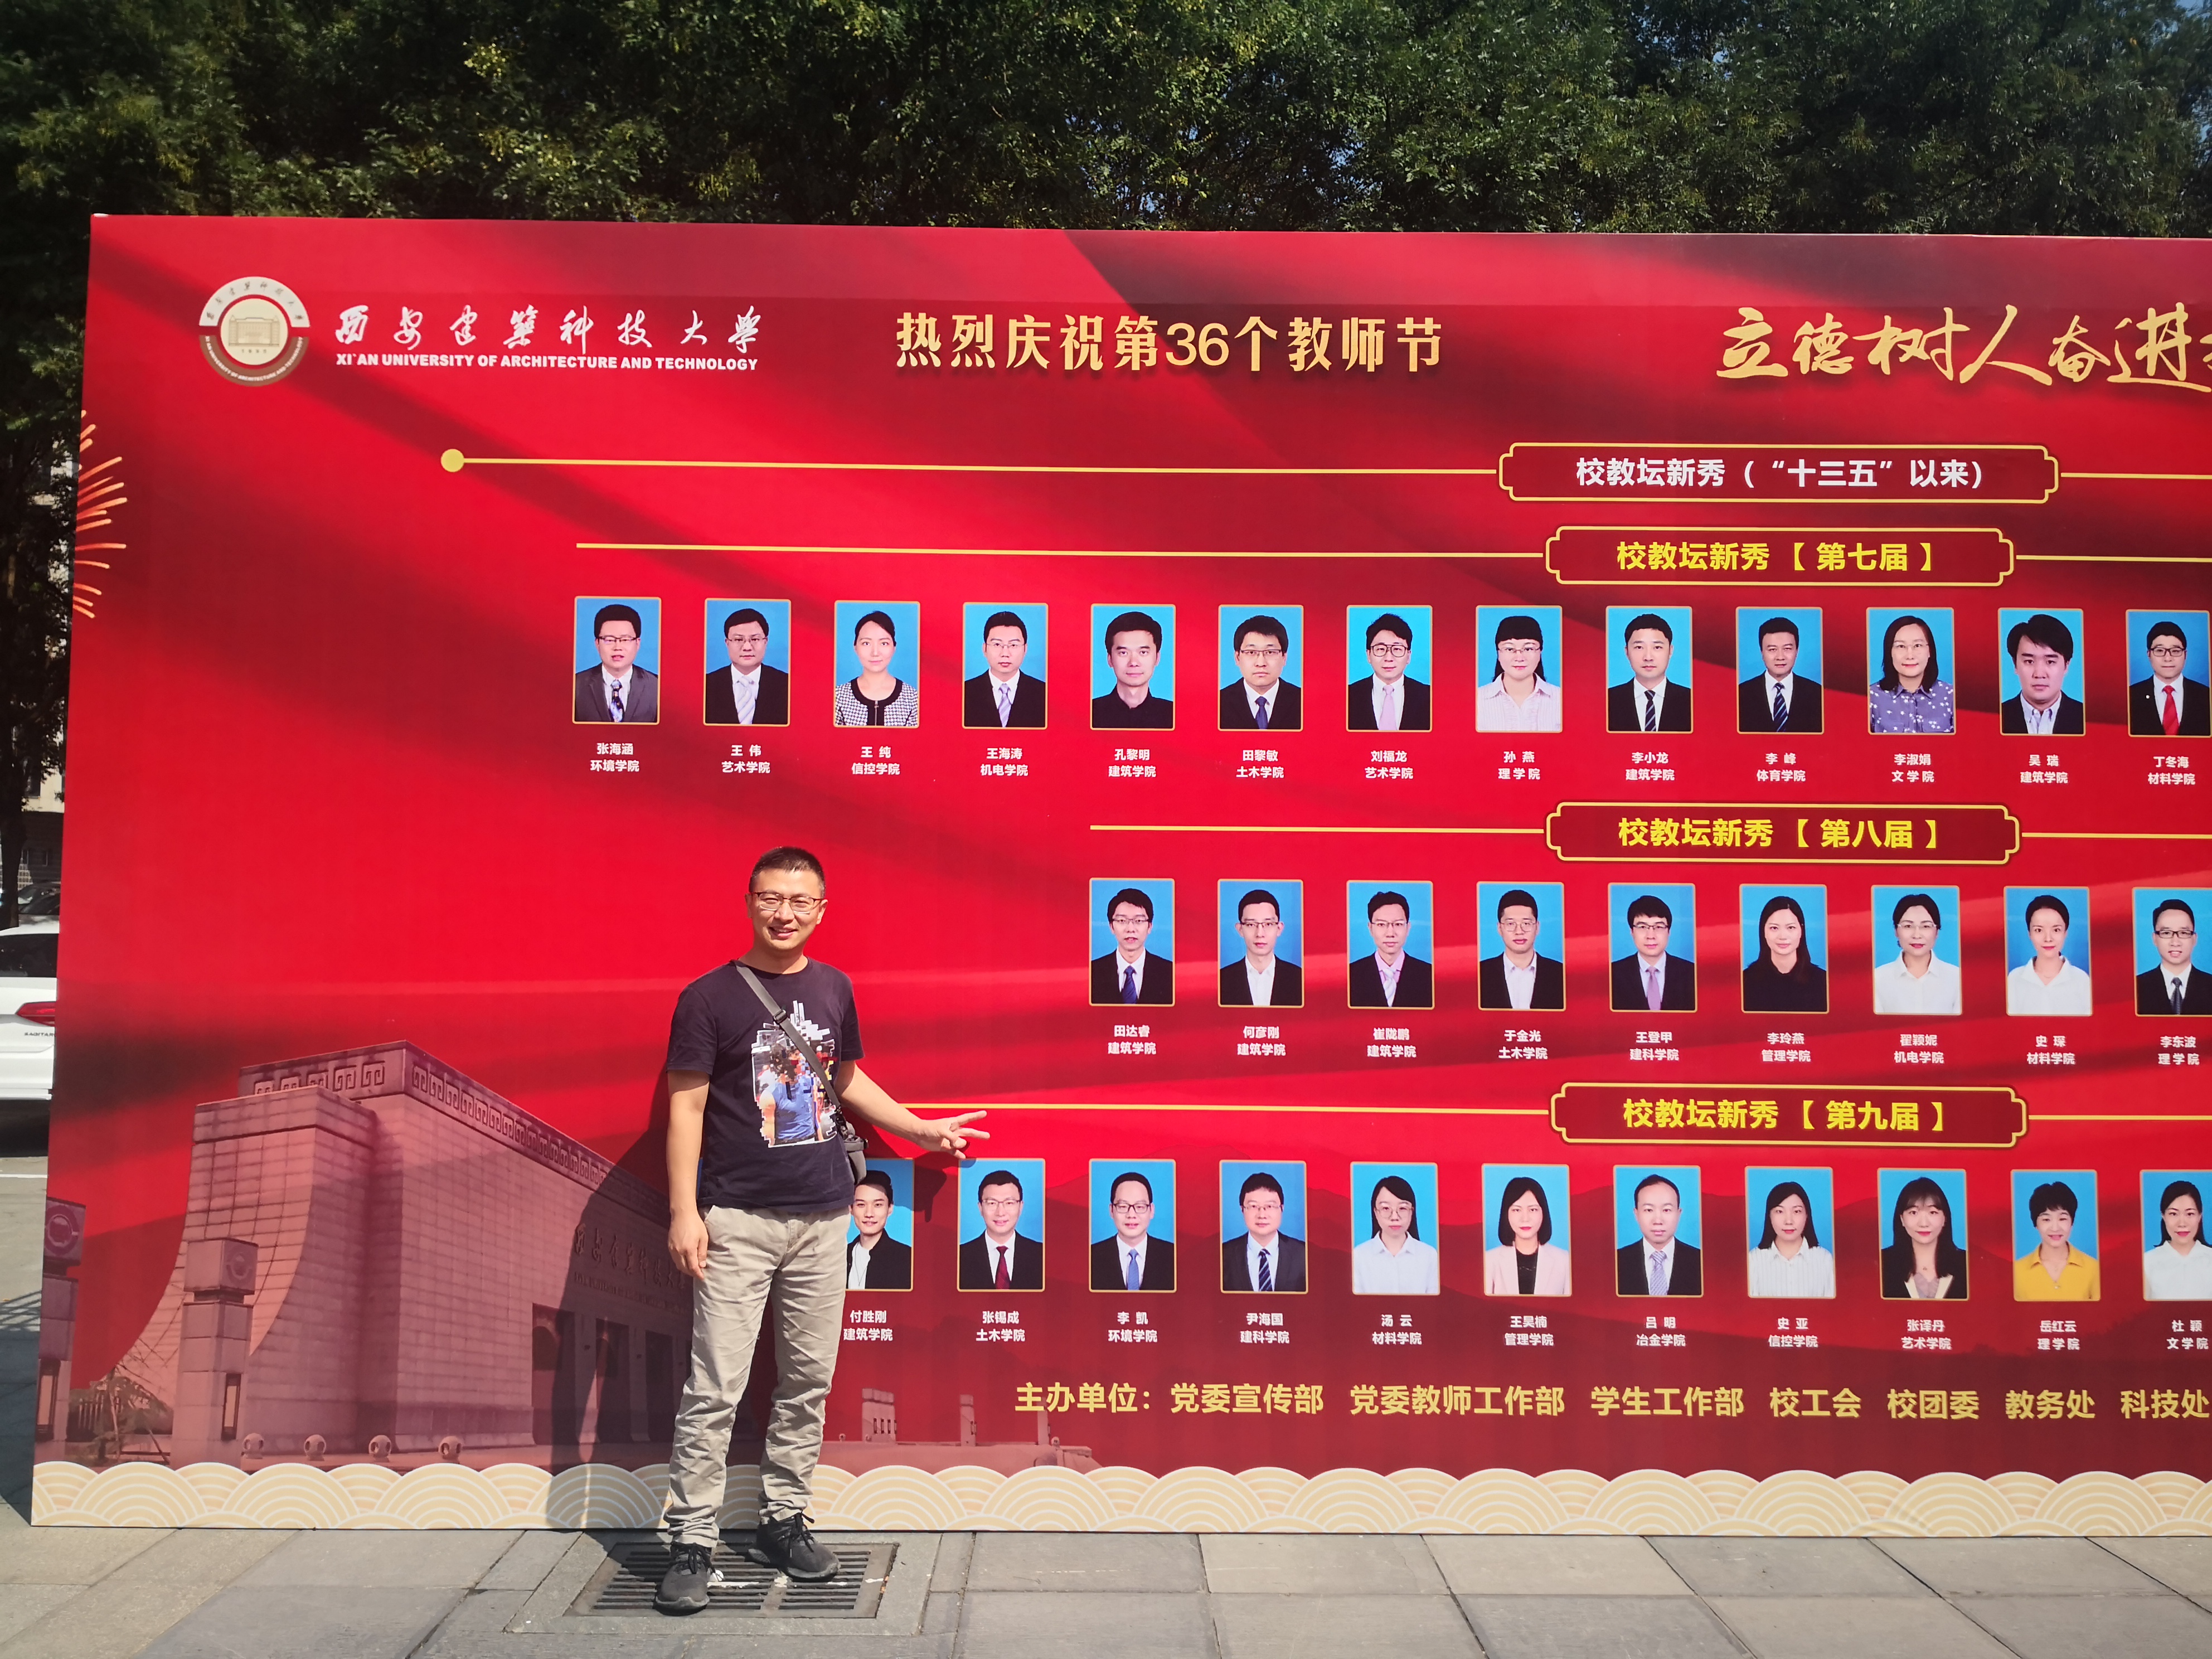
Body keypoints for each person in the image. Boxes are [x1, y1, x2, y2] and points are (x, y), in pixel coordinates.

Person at [658, 846, 984, 1608]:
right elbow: (686, 1107)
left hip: (822, 1218)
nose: (785, 914)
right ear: (749, 902)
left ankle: (783, 1518)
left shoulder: (834, 988)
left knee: (806, 1382)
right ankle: (692, 1541)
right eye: (771, 898)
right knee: (715, 1388)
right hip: (736, 1219)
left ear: (821, 910)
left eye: (800, 902)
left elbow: (845, 1079)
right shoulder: (707, 998)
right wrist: (684, 1211)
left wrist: (920, 1129)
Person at [1874, 892, 1962, 1016]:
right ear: (1896, 931)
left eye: (1926, 926)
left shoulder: (1957, 978)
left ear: (1937, 932)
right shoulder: (1877, 979)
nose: (1917, 935)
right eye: (1908, 926)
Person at [1879, 1176, 1968, 1299]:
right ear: (1902, 1219)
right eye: (1914, 1213)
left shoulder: (1968, 1263)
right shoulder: (1882, 1262)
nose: (1924, 1223)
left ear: (1945, 1218)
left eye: (1933, 1212)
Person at [2006, 892, 2093, 1016]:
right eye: (2039, 930)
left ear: (2065, 932)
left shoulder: (2082, 980)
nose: (2048, 939)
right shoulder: (2014, 979)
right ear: (2029, 934)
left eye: (2056, 930)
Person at [1484, 1175, 1571, 1296]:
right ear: (1506, 1214)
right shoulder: (1489, 1260)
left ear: (1544, 1213)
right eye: (1517, 1210)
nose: (1525, 1219)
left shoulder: (1564, 1260)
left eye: (1533, 1210)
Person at [1747, 1180, 1836, 1298]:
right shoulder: (1753, 1261)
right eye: (1780, 1211)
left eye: (1797, 1211)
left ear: (1807, 1215)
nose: (1789, 1221)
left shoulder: (1824, 1260)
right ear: (1769, 1216)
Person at [1616, 1172, 1701, 1295]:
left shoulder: (1701, 1261)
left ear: (1679, 1214)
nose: (1658, 1221)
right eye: (1649, 1210)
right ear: (1636, 1214)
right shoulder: (1617, 1261)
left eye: (1666, 1210)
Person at [1999, 613, 2085, 736]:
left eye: (2050, 662)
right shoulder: (1997, 716)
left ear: (2066, 665)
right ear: (2015, 664)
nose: (2039, 674)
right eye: (2029, 661)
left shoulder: (2085, 717)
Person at [2014, 1180, 2100, 1301]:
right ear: (2036, 1224)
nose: (2055, 1228)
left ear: (2072, 1222)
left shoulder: (2094, 1269)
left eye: (2062, 1219)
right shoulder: (2016, 1271)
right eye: (2046, 1220)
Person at [1352, 1174, 1439, 1294]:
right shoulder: (1359, 1256)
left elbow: (1434, 1303)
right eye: (1386, 1208)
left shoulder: (1429, 1255)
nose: (1395, 1217)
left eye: (1402, 1208)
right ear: (1375, 1212)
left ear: (1412, 1212)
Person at [958, 1168, 1044, 1289]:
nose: (1001, 1213)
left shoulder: (1042, 1254)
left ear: (1021, 1207)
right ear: (980, 1208)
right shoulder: (959, 1256)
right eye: (992, 1203)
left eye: (1009, 1203)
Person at [1481, 888, 1565, 1012]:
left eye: (1526, 924)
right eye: (1511, 924)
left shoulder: (1561, 974)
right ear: (1499, 928)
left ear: (1537, 927)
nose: (1519, 931)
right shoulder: (1480, 974)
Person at [1742, 894, 1828, 1013]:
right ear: (1763, 931)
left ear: (1801, 931)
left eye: (1791, 928)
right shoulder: (1745, 981)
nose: (1783, 936)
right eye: (1774, 928)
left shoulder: (1823, 981)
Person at [1868, 614, 1954, 734]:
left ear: (1930, 651)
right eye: (1901, 646)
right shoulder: (1871, 698)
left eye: (1917, 646)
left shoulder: (1951, 696)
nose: (1910, 656)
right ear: (1890, 652)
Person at [1736, 615, 1823, 734]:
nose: (1780, 657)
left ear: (1797, 651)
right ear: (1762, 653)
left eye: (1787, 649)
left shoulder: (1818, 693)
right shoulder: (1741, 694)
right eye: (1772, 650)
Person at [575, 602, 660, 722]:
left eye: (625, 639)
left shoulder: (657, 686)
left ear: (638, 643)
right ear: (597, 643)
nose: (617, 647)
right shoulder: (575, 685)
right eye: (609, 640)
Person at [1090, 1170, 1175, 1291]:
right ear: (1112, 1211)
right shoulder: (1091, 1256)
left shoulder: (1174, 1255)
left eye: (1140, 1207)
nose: (1131, 1215)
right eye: (1123, 1207)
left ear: (1152, 1210)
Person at [1347, 612, 1433, 731]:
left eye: (1397, 649)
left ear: (1409, 656)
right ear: (1369, 655)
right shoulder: (1348, 695)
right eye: (1380, 649)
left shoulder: (1430, 696)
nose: (1389, 658)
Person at [1349, 889, 1434, 1010]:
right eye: (1381, 925)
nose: (1390, 933)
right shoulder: (1351, 975)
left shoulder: (1430, 974)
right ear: (1370, 928)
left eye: (1398, 924)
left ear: (1408, 928)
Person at [1607, 612, 1691, 732]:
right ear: (1627, 652)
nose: (1648, 657)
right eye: (1639, 647)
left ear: (1670, 651)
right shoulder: (1608, 700)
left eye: (1657, 647)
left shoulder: (1691, 700)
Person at [1222, 1171, 1307, 1291]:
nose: (1262, 1215)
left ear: (1282, 1208)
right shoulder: (1223, 1254)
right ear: (1242, 1209)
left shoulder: (1304, 1253)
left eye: (1270, 1206)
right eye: (1253, 1206)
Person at [705, 607, 790, 726]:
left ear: (765, 642)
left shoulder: (787, 684)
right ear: (727, 643)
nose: (747, 647)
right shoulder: (707, 684)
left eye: (755, 639)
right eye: (739, 640)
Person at [1477, 613, 1563, 733]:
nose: (1520, 658)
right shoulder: (1476, 700)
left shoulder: (1562, 699)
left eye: (1528, 649)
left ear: (1540, 652)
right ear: (1498, 653)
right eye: (1510, 649)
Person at [1611, 893, 1696, 1012]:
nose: (1651, 936)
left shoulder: (1692, 973)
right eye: (1642, 927)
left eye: (1659, 927)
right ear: (1632, 931)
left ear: (1669, 931)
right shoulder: (1612, 973)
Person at [1090, 886, 1174, 1006]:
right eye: (1122, 921)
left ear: (1150, 926)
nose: (1130, 929)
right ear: (1111, 927)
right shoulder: (1092, 971)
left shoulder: (1171, 972)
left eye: (1139, 921)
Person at [832, 609, 917, 726]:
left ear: (894, 647)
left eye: (884, 643)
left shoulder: (912, 699)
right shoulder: (838, 697)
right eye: (866, 643)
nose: (875, 653)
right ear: (855, 647)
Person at [1220, 888, 1303, 1008]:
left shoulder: (1299, 978)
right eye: (1251, 925)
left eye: (1268, 924)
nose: (1260, 934)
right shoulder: (1221, 980)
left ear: (1279, 928)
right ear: (1240, 929)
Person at [963, 610, 1046, 729]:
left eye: (1013, 645)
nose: (1005, 654)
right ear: (985, 649)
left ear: (1025, 649)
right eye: (997, 645)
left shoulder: (1044, 693)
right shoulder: (964, 692)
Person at [1220, 613, 1302, 731]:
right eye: (1251, 652)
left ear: (1284, 657)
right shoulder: (1218, 702)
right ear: (1237, 658)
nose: (1261, 663)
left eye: (1270, 652)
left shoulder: (1304, 701)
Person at [1092, 610, 1174, 728]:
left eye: (1143, 652)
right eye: (1123, 653)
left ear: (1157, 658)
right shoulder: (1090, 712)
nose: (1134, 663)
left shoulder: (1173, 714)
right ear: (1110, 659)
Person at [2131, 618, 2210, 736]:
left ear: (2185, 655)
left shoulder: (2206, 696)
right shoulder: (2131, 695)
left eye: (2176, 651)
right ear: (2149, 655)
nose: (2168, 658)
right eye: (2159, 650)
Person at [2137, 898, 2212, 1015]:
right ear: (2155, 939)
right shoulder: (2137, 987)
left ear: (2194, 939)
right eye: (2166, 933)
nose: (2175, 942)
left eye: (2184, 933)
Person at [2144, 1179, 2212, 1299]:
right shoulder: (2147, 1263)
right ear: (2163, 1216)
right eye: (2173, 1214)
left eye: (2190, 1214)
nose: (2182, 1223)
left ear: (2200, 1216)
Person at [846, 1171, 911, 1291]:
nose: (869, 1214)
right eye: (861, 1205)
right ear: (851, 1208)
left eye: (878, 1205)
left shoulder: (907, 1258)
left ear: (890, 1208)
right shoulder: (838, 1257)